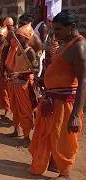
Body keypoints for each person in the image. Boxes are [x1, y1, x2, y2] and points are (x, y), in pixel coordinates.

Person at [29, 10, 85, 179]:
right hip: (51, 99)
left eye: (59, 29)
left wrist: (75, 114)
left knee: (63, 137)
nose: (55, 33)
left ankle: (65, 172)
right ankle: (53, 162)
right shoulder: (64, 43)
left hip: (65, 102)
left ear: (72, 27)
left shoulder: (79, 46)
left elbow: (83, 81)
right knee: (49, 133)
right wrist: (44, 81)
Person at [6, 24, 37, 147]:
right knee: (15, 108)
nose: (17, 39)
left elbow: (35, 69)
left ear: (26, 38)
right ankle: (16, 130)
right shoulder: (17, 50)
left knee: (25, 111)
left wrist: (20, 74)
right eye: (17, 36)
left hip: (24, 85)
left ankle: (26, 137)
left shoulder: (30, 52)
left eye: (20, 37)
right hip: (14, 84)